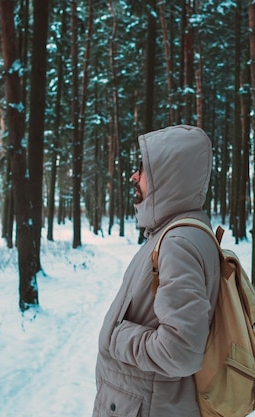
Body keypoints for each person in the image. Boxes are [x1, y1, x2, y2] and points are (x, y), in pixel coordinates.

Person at [92, 125, 221, 417]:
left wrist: (116, 337)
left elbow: (181, 351)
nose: (134, 176)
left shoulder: (178, 243)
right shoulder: (174, 234)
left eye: (143, 169)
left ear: (168, 177)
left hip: (149, 407)